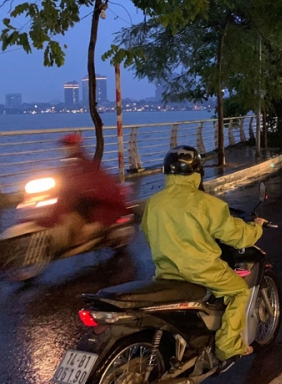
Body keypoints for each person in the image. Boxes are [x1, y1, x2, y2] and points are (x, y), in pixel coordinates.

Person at [141, 146, 267, 363]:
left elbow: (148, 233)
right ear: (197, 172)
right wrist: (256, 228)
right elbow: (237, 236)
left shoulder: (154, 203)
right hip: (202, 272)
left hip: (167, 272)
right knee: (238, 291)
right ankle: (228, 345)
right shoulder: (207, 204)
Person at [42, 134, 128, 252]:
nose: (67, 148)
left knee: (84, 215)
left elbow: (95, 180)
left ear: (77, 145)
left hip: (90, 200)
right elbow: (62, 178)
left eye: (70, 145)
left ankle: (91, 233)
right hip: (76, 199)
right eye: (66, 145)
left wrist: (84, 189)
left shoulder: (85, 163)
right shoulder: (69, 164)